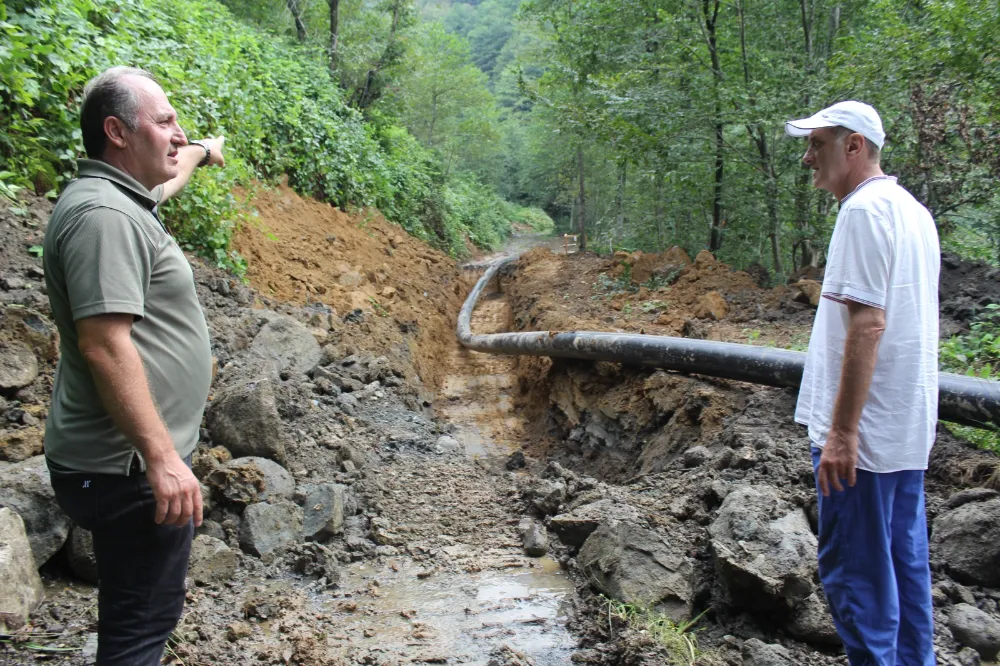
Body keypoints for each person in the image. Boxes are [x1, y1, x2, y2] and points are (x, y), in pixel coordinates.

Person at [43, 66, 226, 665]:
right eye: (166, 121)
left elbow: (164, 186)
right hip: (127, 468)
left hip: (118, 461)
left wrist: (199, 152)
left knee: (138, 611)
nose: (178, 132)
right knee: (141, 626)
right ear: (117, 132)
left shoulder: (118, 199)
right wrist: (163, 458)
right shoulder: (108, 219)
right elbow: (104, 344)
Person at [786, 100, 939, 666]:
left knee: (858, 577)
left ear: (853, 146)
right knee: (902, 569)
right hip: (903, 430)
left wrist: (841, 434)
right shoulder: (911, 210)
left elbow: (868, 324)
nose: (807, 158)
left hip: (864, 441)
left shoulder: (863, 212)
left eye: (817, 145)